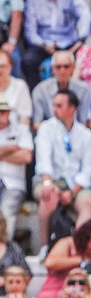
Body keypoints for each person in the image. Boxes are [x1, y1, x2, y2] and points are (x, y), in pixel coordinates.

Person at [33, 87, 91, 244]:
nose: (54, 109)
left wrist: (72, 192)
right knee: (48, 197)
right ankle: (45, 247)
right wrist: (48, 184)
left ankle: (78, 247)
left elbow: (88, 170)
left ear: (72, 108)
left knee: (86, 203)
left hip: (76, 185)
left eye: (59, 106)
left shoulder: (86, 135)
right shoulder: (45, 128)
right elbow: (43, 160)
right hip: (50, 180)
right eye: (54, 105)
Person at [23, 0, 88, 84]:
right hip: (44, 45)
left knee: (86, 60)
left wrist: (80, 40)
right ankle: (37, 93)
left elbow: (84, 15)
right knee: (28, 61)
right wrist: (44, 45)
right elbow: (30, 31)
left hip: (70, 43)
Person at [33, 47, 91, 124]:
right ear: (52, 69)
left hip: (76, 129)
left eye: (66, 66)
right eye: (58, 67)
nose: (62, 71)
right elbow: (37, 123)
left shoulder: (84, 90)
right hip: (48, 130)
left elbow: (84, 121)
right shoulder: (40, 90)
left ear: (73, 68)